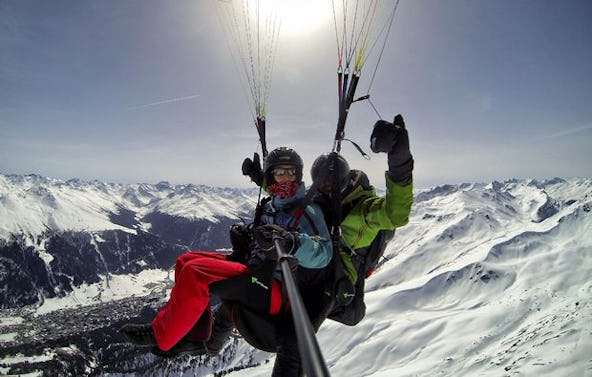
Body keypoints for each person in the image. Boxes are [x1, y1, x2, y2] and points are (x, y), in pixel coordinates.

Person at [237, 113, 414, 376]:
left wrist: (399, 161)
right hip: (311, 267)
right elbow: (287, 187)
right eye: (321, 182)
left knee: (295, 340)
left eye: (331, 183)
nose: (325, 187)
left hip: (335, 281)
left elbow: (395, 214)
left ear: (343, 181)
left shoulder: (362, 209)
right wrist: (258, 176)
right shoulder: (319, 197)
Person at [119, 147, 333, 357]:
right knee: (185, 261)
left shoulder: (307, 211)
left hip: (275, 286)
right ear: (271, 177)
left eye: (291, 172)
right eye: (279, 172)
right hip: (257, 270)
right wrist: (257, 177)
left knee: (195, 272)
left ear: (298, 175)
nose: (286, 178)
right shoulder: (278, 201)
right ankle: (194, 335)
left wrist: (294, 243)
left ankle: (162, 335)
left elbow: (324, 253)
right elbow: (278, 194)